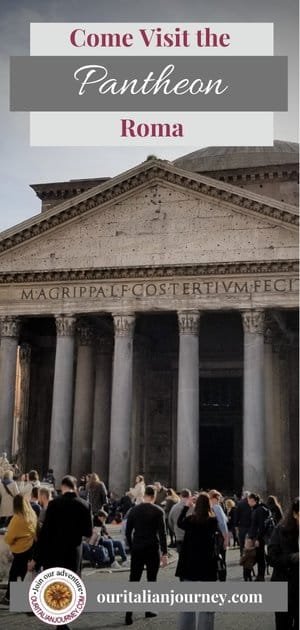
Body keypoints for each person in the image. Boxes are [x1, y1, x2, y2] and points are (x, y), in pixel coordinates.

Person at [28, 475, 92, 630]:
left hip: (55, 551)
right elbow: (88, 531)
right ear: (75, 487)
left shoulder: (54, 504)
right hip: (73, 551)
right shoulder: (85, 504)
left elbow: (45, 533)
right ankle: (63, 620)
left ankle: (60, 621)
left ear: (62, 487)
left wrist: (35, 558)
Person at [175, 492, 220, 630]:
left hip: (189, 566)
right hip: (207, 566)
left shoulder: (190, 521)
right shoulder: (213, 522)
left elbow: (178, 522)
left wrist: (186, 506)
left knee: (187, 606)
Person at [125, 485, 168, 625]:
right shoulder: (158, 511)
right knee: (151, 580)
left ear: (144, 496)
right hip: (152, 548)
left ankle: (128, 613)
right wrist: (165, 552)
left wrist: (132, 547)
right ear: (154, 496)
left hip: (137, 547)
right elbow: (162, 534)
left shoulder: (134, 510)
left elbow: (127, 532)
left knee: (134, 580)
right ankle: (149, 609)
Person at [268, 497, 299, 630]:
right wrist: (292, 557)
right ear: (295, 514)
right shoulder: (281, 530)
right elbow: (271, 558)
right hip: (282, 585)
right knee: (282, 624)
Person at [1, 494, 37, 605]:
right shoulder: (32, 514)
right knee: (22, 574)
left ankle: (9, 598)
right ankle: (19, 596)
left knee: (14, 574)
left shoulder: (17, 518)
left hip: (21, 550)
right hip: (31, 547)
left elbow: (8, 538)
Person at [247, 492, 271, 581]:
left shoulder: (260, 509)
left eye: (249, 500)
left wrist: (257, 538)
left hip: (259, 537)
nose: (248, 502)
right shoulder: (256, 509)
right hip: (256, 536)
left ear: (254, 500)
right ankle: (260, 575)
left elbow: (261, 526)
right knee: (259, 556)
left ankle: (261, 576)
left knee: (260, 557)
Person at [168, 489, 192, 553]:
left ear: (180, 496)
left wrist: (174, 530)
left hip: (179, 536)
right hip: (191, 536)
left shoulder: (174, 507)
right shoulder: (194, 507)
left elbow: (170, 521)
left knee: (181, 558)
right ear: (190, 496)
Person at [234, 490, 252, 558]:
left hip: (242, 526)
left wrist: (236, 526)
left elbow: (236, 515)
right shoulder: (252, 503)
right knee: (251, 541)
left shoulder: (239, 503)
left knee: (242, 542)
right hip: (251, 526)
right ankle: (250, 555)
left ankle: (242, 555)